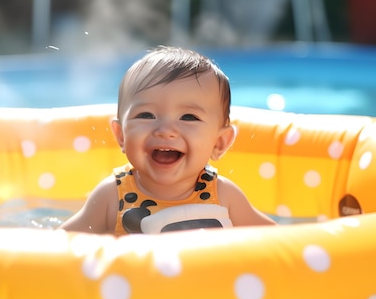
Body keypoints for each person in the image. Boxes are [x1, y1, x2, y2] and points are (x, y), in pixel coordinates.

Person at [59, 46, 275, 235]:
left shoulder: (224, 196)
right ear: (121, 135)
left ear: (219, 143)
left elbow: (277, 242)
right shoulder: (111, 197)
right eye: (146, 115)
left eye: (189, 117)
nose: (165, 131)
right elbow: (60, 246)